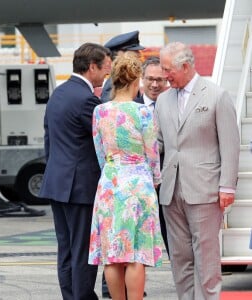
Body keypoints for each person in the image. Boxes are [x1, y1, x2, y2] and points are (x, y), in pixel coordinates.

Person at [155, 42, 240, 300]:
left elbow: (230, 144)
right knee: (180, 257)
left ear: (186, 66)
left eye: (168, 70)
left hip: (205, 189)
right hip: (171, 190)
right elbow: (160, 143)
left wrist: (227, 186)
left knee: (206, 255)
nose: (164, 75)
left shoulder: (216, 95)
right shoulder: (162, 100)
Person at [39, 43, 112, 300]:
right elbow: (103, 141)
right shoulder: (86, 100)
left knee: (66, 249)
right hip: (79, 188)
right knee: (83, 250)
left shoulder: (58, 94)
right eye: (105, 69)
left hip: (57, 183)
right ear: (92, 67)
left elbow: (49, 141)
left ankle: (71, 297)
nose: (106, 75)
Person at [88, 52, 163, 300]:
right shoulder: (143, 113)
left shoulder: (99, 112)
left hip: (110, 183)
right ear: (135, 81)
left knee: (112, 255)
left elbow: (100, 154)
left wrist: (112, 173)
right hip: (139, 184)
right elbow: (152, 155)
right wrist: (154, 180)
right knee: (136, 254)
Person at [134, 56, 170, 257]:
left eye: (160, 80)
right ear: (142, 78)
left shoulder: (175, 105)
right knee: (134, 235)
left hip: (168, 181)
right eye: (150, 79)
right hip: (138, 181)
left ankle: (183, 284)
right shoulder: (130, 107)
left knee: (173, 235)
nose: (155, 84)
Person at [101, 30, 145, 103]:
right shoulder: (113, 83)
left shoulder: (128, 78)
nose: (139, 54)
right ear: (120, 54)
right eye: (135, 51)